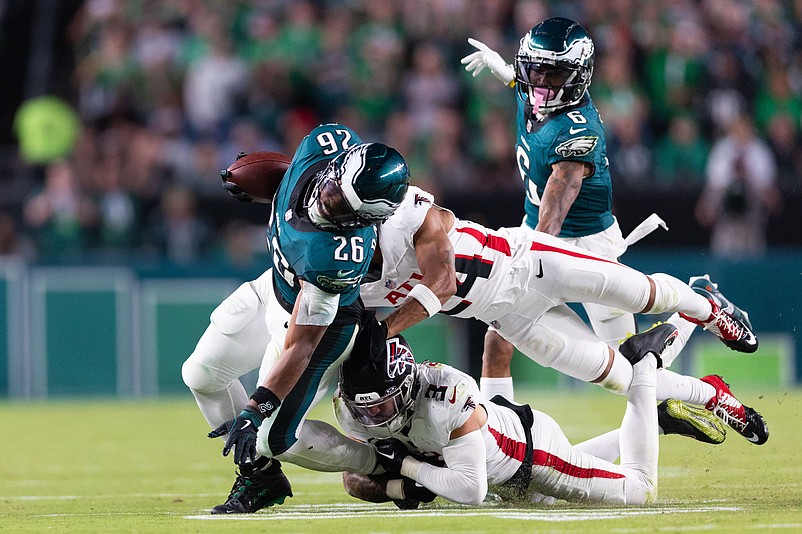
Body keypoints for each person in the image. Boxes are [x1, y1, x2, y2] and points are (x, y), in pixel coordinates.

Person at [357, 184, 766, 446]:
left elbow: (443, 280)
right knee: (623, 377)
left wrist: (385, 329)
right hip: (509, 315)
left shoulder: (398, 216)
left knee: (646, 294)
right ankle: (712, 395)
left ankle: (706, 307)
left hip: (529, 261)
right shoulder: (353, 281)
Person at [461, 17, 690, 401]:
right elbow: (525, 85)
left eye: (553, 74)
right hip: (537, 236)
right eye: (535, 69)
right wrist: (506, 72)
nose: (541, 82)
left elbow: (554, 209)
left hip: (582, 244)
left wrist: (522, 256)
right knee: (498, 341)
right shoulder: (533, 92)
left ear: (577, 77)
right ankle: (497, 440)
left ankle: (689, 317)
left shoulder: (576, 129)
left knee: (631, 374)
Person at [186, 123, 410, 514]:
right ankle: (261, 477)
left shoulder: (336, 257)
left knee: (273, 438)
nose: (328, 200)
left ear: (365, 219)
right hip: (274, 287)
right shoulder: (326, 143)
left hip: (319, 327)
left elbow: (302, 345)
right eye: (336, 187)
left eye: (343, 207)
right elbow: (298, 173)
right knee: (201, 375)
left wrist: (255, 409)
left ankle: (388, 463)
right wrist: (274, 182)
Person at [335, 322, 724, 506]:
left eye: (382, 404)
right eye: (364, 408)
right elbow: (352, 476)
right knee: (545, 495)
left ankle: (644, 369)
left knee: (640, 491)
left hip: (532, 456)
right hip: (502, 457)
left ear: (405, 387)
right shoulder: (354, 407)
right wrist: (397, 489)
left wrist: (406, 466)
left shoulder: (443, 396)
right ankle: (660, 421)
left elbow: (471, 491)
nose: (375, 417)